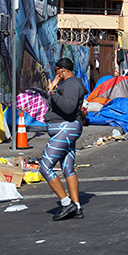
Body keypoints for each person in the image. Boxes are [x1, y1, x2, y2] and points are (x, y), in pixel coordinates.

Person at [40, 58, 87, 221]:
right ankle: (77, 207)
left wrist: (52, 92)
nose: (55, 74)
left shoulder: (72, 84)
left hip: (65, 129)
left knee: (45, 167)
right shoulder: (68, 84)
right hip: (65, 130)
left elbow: (68, 107)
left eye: (56, 70)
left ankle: (67, 203)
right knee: (68, 169)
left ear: (62, 70)